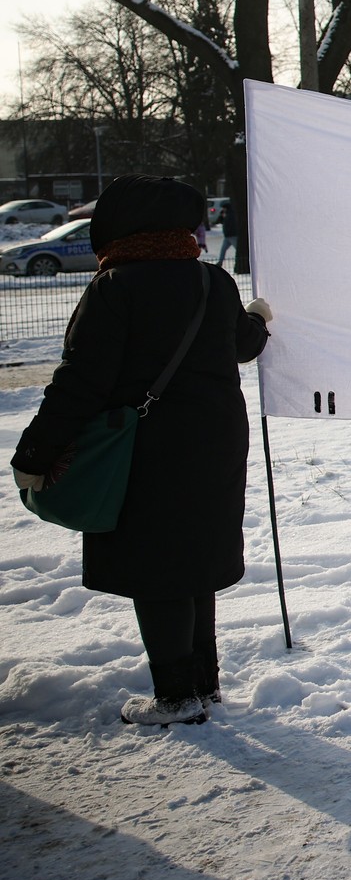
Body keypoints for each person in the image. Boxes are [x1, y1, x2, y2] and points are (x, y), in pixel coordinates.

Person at [11, 176, 270, 726]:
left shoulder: (116, 287)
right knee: (195, 558)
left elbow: (80, 382)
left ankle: (175, 697)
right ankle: (204, 684)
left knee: (157, 566)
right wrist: (259, 318)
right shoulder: (212, 281)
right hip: (217, 440)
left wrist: (35, 453)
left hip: (146, 448)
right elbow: (244, 344)